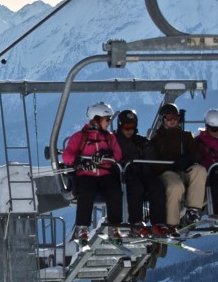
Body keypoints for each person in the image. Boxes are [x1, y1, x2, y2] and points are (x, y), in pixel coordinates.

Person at [62, 101, 123, 240]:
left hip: (105, 174)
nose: (109, 123)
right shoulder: (79, 137)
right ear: (96, 119)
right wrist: (79, 161)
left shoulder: (109, 137)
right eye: (107, 120)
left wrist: (106, 155)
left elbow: (118, 155)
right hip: (86, 174)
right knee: (86, 191)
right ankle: (82, 227)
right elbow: (67, 155)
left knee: (115, 191)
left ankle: (114, 226)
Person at [148, 103, 207, 227]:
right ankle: (172, 224)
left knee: (200, 171)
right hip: (167, 172)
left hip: (184, 170)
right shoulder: (157, 140)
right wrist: (171, 164)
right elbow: (154, 163)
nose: (172, 121)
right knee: (175, 187)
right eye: (169, 118)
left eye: (175, 118)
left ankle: (193, 210)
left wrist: (186, 159)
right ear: (162, 120)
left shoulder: (186, 136)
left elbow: (196, 154)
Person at [114, 108, 167, 230]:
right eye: (127, 127)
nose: (130, 130)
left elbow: (152, 158)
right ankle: (136, 221)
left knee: (157, 186)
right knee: (136, 188)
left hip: (142, 173)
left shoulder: (140, 141)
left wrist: (147, 150)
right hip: (124, 175)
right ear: (120, 126)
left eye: (132, 127)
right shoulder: (115, 141)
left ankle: (158, 223)